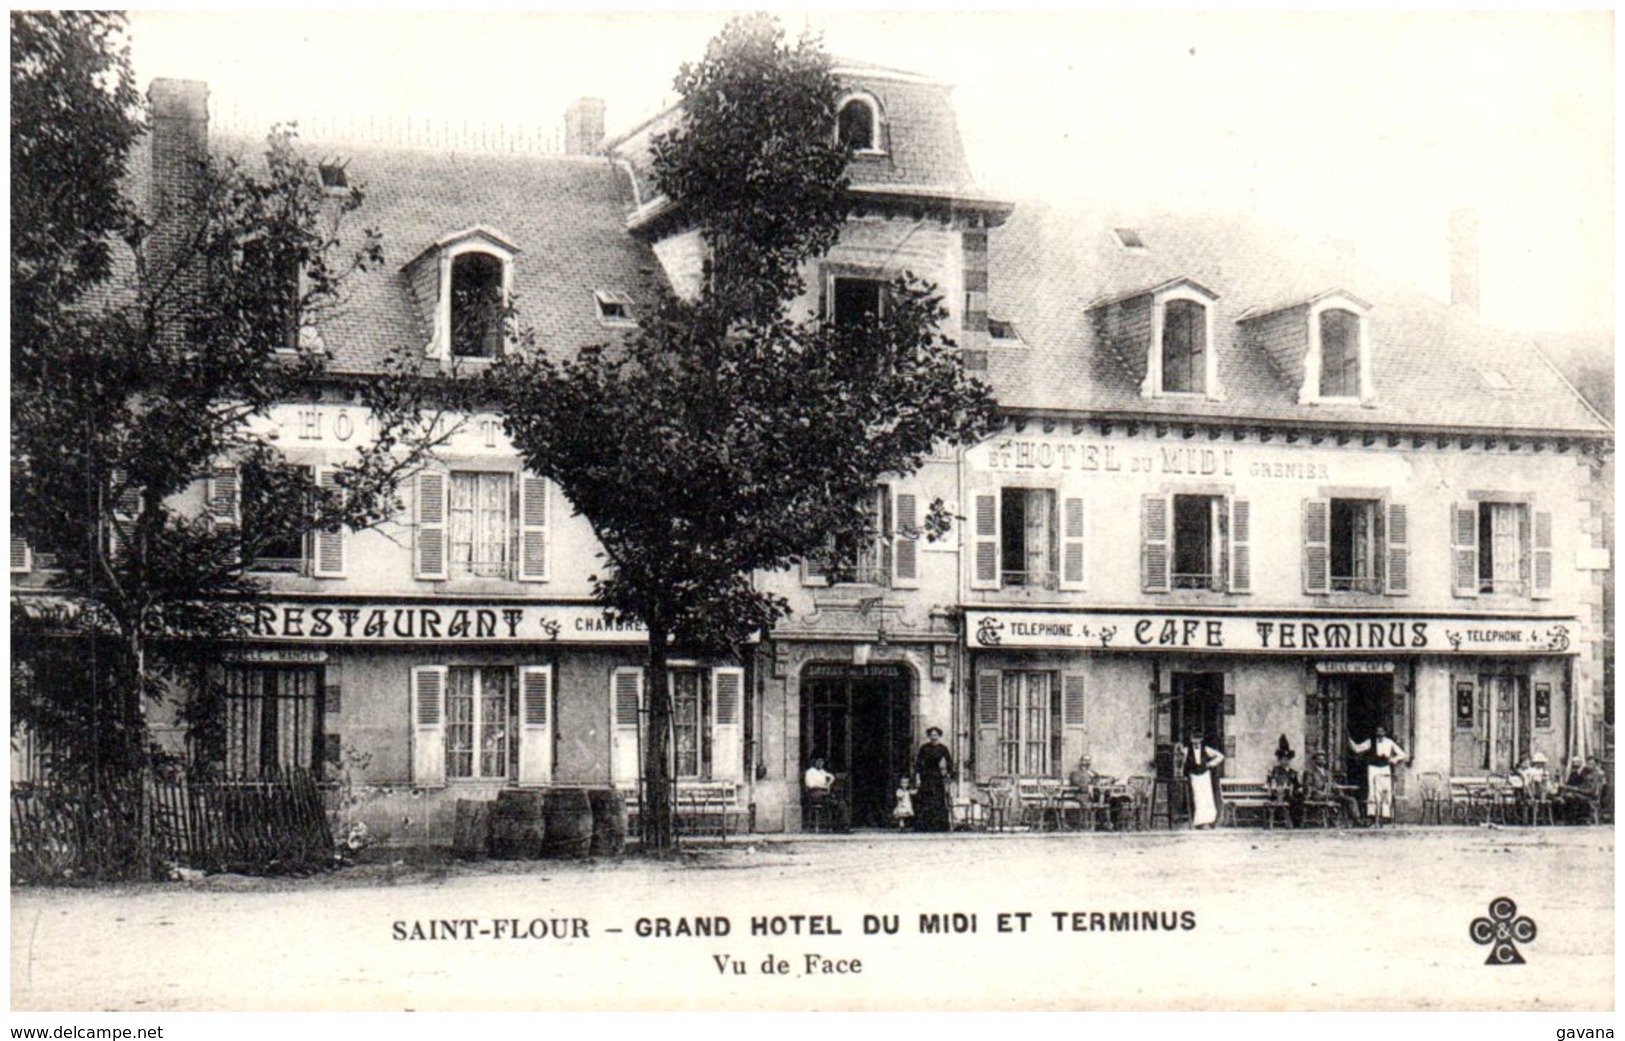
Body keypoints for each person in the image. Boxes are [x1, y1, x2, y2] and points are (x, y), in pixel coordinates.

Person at [1347, 726, 1407, 825]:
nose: (1379, 733)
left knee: (1386, 790)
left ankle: (1386, 815)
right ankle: (1373, 814)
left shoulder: (1389, 742)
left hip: (1385, 767)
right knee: (1373, 790)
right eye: (1377, 731)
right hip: (1373, 767)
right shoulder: (1371, 741)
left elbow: (1402, 754)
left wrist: (1392, 759)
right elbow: (1357, 749)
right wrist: (1348, 739)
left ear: (1385, 732)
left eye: (1381, 731)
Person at [1179, 728, 1225, 829]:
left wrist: (1210, 764)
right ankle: (1199, 822)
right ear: (1190, 739)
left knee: (1207, 798)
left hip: (1205, 776)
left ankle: (1209, 821)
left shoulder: (1206, 749)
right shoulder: (1186, 750)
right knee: (1197, 798)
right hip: (1194, 776)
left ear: (1201, 739)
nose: (1196, 741)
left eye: (1198, 738)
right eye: (1194, 738)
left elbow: (1220, 756)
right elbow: (1182, 762)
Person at [1302, 750, 1362, 826]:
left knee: (1351, 800)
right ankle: (1335, 820)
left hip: (1330, 795)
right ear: (1314, 760)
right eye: (1319, 759)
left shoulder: (1328, 773)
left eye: (1323, 759)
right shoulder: (1310, 772)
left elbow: (1334, 785)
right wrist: (1317, 791)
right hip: (1318, 796)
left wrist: (1348, 787)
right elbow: (1307, 786)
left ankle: (1357, 820)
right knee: (1338, 799)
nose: (1321, 761)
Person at [913, 726, 953, 832]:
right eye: (932, 735)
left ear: (939, 736)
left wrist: (948, 774)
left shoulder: (943, 748)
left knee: (937, 800)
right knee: (925, 801)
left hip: (937, 777)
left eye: (936, 735)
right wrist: (918, 778)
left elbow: (949, 762)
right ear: (929, 736)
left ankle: (938, 826)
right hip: (925, 776)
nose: (934, 737)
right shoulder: (924, 748)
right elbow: (918, 764)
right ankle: (924, 826)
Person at [1266, 735, 1304, 827]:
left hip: (1291, 794)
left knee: (1299, 799)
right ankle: (1289, 822)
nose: (1285, 761)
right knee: (1293, 801)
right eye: (1283, 759)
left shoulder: (1293, 772)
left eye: (1287, 759)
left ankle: (1297, 822)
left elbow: (1297, 784)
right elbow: (1271, 782)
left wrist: (1299, 788)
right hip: (1279, 793)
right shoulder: (1276, 770)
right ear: (1279, 760)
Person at [803, 756, 847, 832]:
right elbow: (810, 785)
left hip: (824, 794)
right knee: (834, 802)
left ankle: (842, 825)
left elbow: (831, 776)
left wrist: (829, 783)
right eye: (818, 761)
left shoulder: (822, 771)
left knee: (840, 803)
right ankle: (837, 825)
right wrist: (823, 786)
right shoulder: (810, 772)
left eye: (822, 762)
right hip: (815, 794)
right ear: (814, 762)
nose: (820, 763)